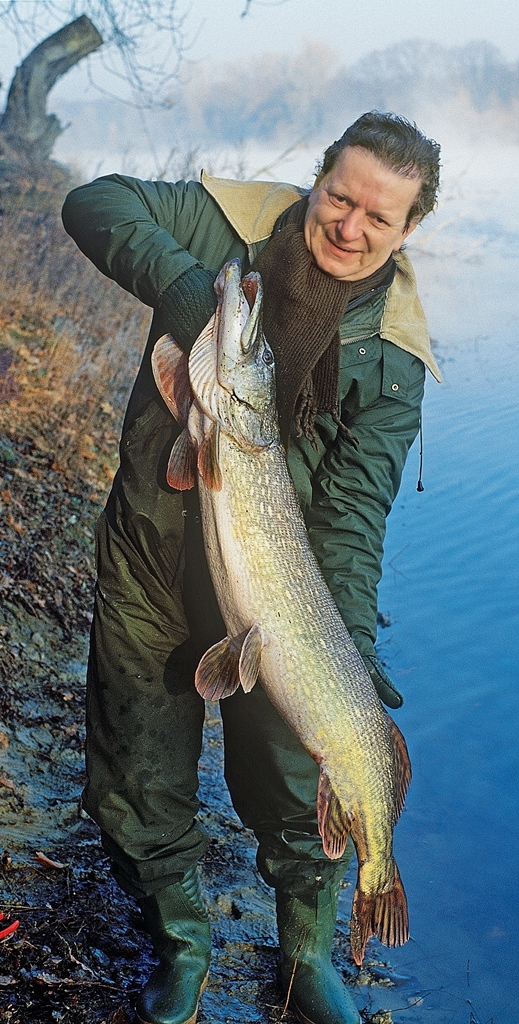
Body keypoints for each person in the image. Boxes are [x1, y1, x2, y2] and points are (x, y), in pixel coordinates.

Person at [62, 111, 441, 1024]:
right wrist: (191, 289)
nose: (349, 228)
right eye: (339, 197)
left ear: (408, 231)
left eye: (377, 219)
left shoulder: (393, 352)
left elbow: (350, 525)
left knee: (296, 775)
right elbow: (92, 203)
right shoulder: (228, 225)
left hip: (282, 599)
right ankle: (183, 942)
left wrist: (346, 652)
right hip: (154, 561)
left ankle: (311, 952)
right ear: (317, 179)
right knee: (138, 775)